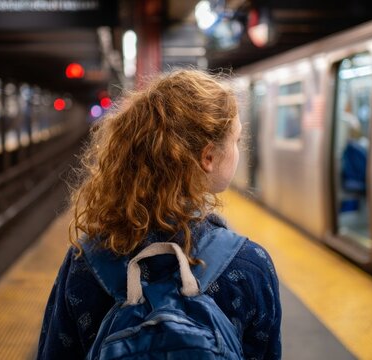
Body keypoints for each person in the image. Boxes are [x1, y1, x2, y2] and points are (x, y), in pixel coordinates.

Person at [37, 69, 282, 359]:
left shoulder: (85, 262)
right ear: (208, 157)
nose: (239, 150)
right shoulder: (250, 265)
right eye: (236, 141)